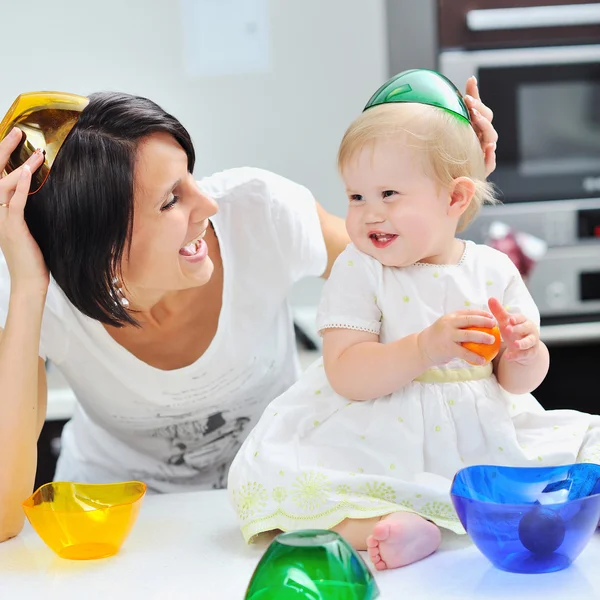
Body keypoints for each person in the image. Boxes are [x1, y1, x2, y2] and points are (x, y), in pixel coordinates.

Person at [0, 79, 497, 542]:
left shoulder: (258, 212)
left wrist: (452, 190)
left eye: (190, 178)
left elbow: (408, 266)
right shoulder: (44, 300)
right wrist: (24, 287)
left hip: (283, 506)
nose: (208, 205)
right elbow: (3, 518)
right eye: (172, 199)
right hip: (123, 528)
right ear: (101, 241)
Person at [227, 69, 600, 571]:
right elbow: (347, 373)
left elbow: (515, 384)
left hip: (479, 434)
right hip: (380, 434)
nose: (368, 214)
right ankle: (399, 525)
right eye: (356, 196)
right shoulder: (361, 270)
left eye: (388, 195)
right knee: (275, 481)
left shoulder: (492, 268)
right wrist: (424, 347)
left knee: (584, 445)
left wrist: (524, 352)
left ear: (454, 198)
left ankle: (510, 512)